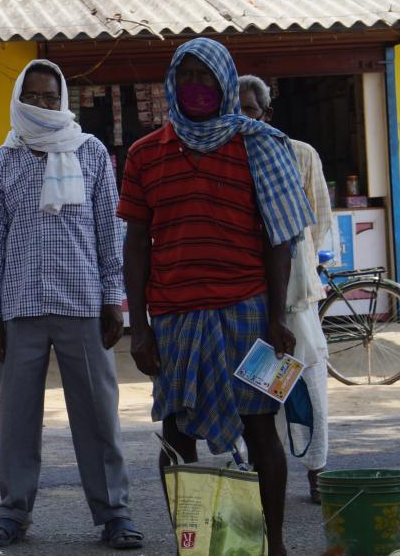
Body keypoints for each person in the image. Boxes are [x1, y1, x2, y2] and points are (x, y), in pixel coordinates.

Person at [118, 38, 313, 556]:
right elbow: (136, 244)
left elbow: (280, 239)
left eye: (207, 77)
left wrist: (277, 316)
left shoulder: (259, 146)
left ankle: (273, 545)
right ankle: (195, 544)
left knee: (260, 430)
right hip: (176, 318)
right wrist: (139, 328)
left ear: (226, 82)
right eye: (188, 77)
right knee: (177, 434)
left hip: (248, 312)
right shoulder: (144, 154)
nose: (197, 88)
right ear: (172, 85)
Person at [0, 60, 142, 549]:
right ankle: (12, 513)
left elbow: (110, 233)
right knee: (17, 419)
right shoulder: (0, 163)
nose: (43, 105)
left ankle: (115, 512)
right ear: (20, 101)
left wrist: (116, 300)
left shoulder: (90, 154)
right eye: (34, 97)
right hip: (21, 307)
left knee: (98, 415)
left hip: (83, 301)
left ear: (64, 100)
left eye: (51, 97)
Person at [240, 74, 333, 503]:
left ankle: (317, 470)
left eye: (250, 111)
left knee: (308, 381)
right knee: (261, 385)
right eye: (233, 112)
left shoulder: (300, 154)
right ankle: (264, 469)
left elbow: (318, 219)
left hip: (296, 292)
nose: (242, 120)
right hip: (246, 293)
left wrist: (301, 272)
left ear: (267, 114)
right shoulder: (223, 156)